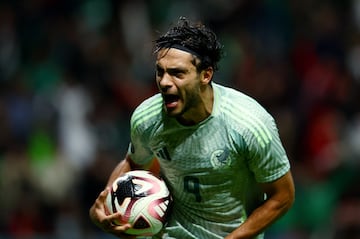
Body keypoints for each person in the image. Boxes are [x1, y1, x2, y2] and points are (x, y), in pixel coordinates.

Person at [89, 17, 295, 239]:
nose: (165, 82)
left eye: (177, 73)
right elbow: (134, 162)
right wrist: (106, 201)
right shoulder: (146, 119)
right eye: (160, 72)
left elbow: (282, 196)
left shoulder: (249, 124)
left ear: (206, 75)